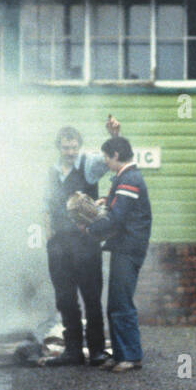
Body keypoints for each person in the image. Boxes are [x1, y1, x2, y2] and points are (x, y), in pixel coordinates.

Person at [40, 125, 109, 366]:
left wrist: (115, 136)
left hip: (85, 242)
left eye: (73, 147)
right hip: (59, 245)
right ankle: (73, 351)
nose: (70, 151)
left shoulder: (88, 166)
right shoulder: (51, 171)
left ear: (78, 146)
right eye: (66, 147)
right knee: (65, 298)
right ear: (58, 147)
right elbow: (46, 204)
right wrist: (48, 234)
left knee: (91, 298)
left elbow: (112, 160)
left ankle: (98, 351)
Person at [86, 136, 152, 372]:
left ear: (115, 155)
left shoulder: (129, 179)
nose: (104, 162)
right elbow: (119, 208)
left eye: (106, 157)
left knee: (121, 302)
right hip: (123, 248)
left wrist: (89, 228)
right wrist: (108, 200)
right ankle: (121, 353)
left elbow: (116, 218)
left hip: (128, 249)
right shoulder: (126, 177)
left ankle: (130, 356)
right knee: (115, 302)